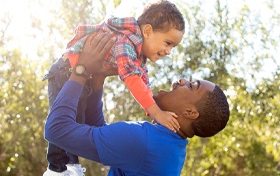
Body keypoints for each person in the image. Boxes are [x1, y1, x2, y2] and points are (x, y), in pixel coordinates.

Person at [44, 32, 230, 175]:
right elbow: (102, 133)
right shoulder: (167, 147)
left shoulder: (145, 142)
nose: (182, 81)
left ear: (190, 112)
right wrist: (98, 77)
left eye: (191, 86)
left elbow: (56, 130)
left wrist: (81, 70)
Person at [43, 0, 184, 175]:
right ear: (147, 31)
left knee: (75, 121)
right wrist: (157, 112)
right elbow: (132, 80)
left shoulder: (139, 57)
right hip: (66, 71)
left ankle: (70, 166)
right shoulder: (126, 42)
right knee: (63, 122)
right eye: (168, 43)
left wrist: (154, 109)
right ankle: (57, 167)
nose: (169, 51)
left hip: (84, 76)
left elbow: (144, 84)